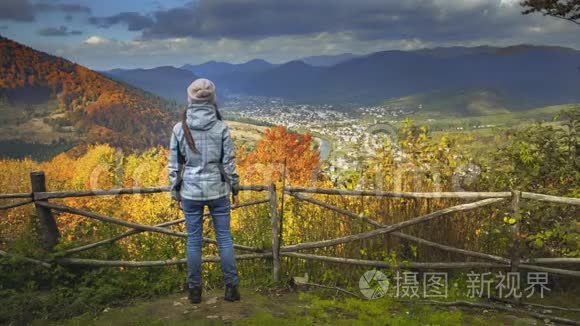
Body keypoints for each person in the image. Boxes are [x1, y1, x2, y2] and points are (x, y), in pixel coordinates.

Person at [168, 78, 240, 303]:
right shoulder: (220, 127)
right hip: (218, 191)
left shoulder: (180, 128)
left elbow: (174, 165)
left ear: (190, 97)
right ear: (212, 98)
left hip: (190, 192)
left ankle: (195, 291)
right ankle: (231, 289)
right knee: (225, 240)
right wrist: (235, 188)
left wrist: (175, 191)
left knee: (193, 241)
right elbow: (229, 164)